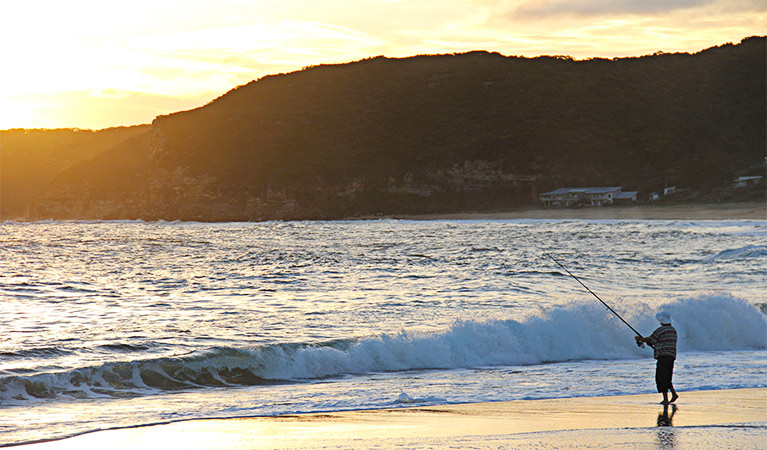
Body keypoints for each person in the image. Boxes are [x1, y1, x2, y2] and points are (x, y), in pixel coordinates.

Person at [635, 311, 679, 405]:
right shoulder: (673, 330)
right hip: (671, 356)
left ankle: (666, 399)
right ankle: (674, 394)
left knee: (661, 377)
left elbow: (651, 340)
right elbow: (655, 341)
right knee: (667, 376)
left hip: (663, 356)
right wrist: (648, 341)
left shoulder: (661, 330)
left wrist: (640, 339)